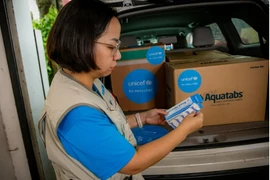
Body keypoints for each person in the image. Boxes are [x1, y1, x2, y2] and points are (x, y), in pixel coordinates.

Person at [38, 0, 204, 180]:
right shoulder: (78, 116)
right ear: (81, 41)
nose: (118, 55)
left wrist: (142, 118)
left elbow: (104, 125)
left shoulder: (82, 80)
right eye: (111, 47)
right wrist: (184, 130)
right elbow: (133, 164)